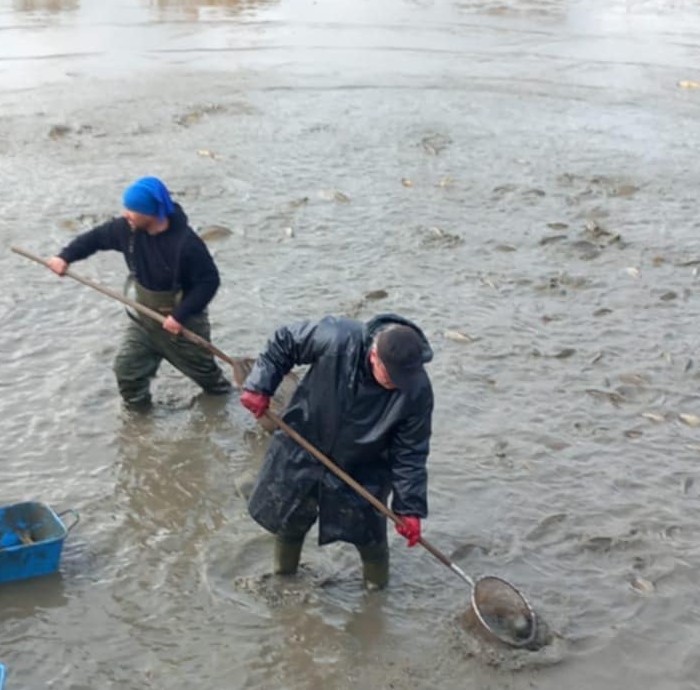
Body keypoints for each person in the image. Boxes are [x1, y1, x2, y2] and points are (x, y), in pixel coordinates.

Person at [239, 313, 434, 589]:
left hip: (363, 465)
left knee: (371, 537)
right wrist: (260, 385)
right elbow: (284, 342)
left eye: (404, 378)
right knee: (290, 520)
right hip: (303, 443)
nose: (398, 384)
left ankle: (376, 594)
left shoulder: (417, 390)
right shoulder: (338, 337)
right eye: (391, 376)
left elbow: (411, 452)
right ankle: (284, 579)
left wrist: (409, 507)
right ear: (374, 356)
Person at [47, 176, 232, 409]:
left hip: (183, 326)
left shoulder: (187, 244)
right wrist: (65, 257)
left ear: (151, 213)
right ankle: (140, 422)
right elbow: (94, 239)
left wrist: (180, 315)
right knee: (126, 370)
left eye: (132, 210)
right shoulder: (127, 230)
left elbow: (209, 282)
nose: (126, 214)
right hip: (143, 319)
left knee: (212, 383)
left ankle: (224, 408)